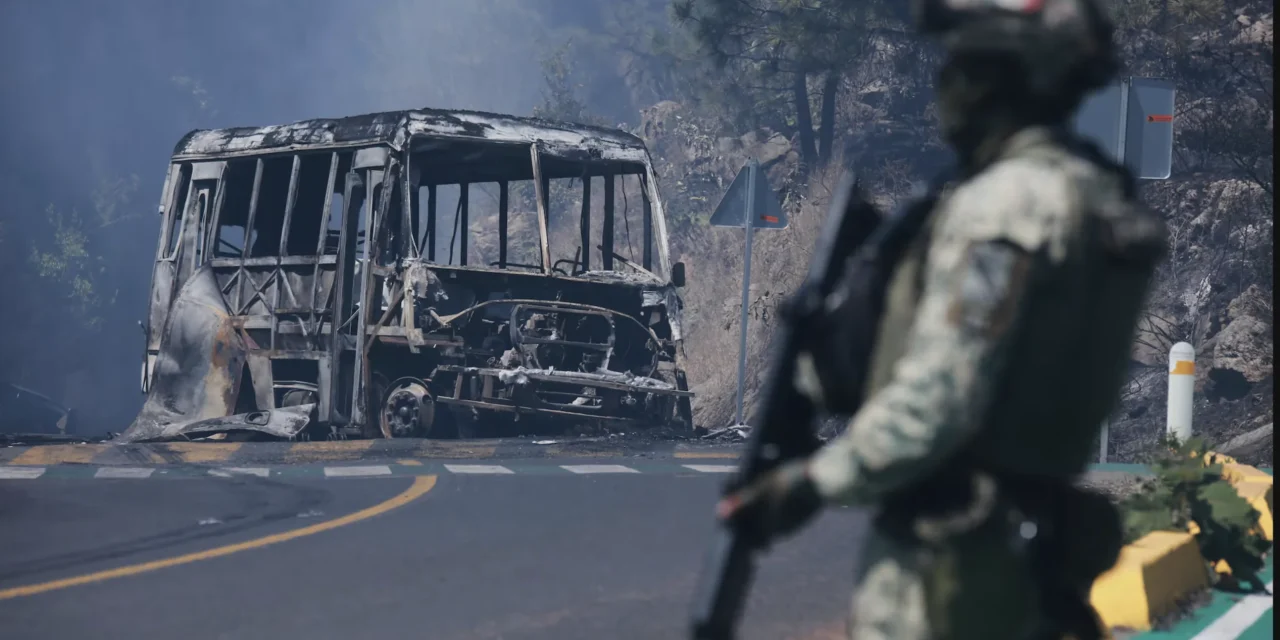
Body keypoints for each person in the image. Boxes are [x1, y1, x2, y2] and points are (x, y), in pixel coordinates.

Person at [715, 0, 1168, 638]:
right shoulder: (1100, 198)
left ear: (1000, 78)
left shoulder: (1006, 210)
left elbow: (943, 396)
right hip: (1037, 558)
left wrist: (809, 482)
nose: (946, 85)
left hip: (953, 573)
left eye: (964, 63)